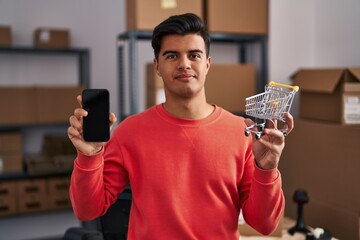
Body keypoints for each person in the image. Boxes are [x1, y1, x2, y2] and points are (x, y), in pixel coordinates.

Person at [68, 13, 293, 239]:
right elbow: (88, 211)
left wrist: (266, 170)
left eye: (194, 55)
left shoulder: (241, 132)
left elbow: (265, 225)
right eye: (172, 56)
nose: (184, 64)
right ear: (157, 65)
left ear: (207, 64)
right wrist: (89, 156)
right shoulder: (130, 132)